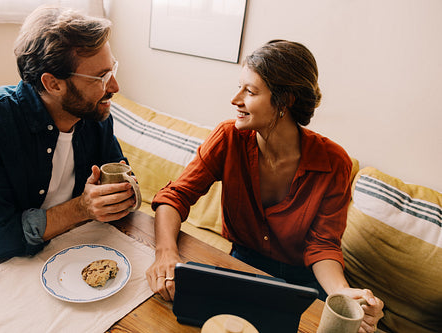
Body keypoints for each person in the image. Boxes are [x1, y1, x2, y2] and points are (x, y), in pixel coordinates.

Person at [146, 40, 384, 332]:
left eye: (250, 91)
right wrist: (166, 252)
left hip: (305, 279)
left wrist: (341, 292)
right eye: (240, 87)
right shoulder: (227, 138)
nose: (235, 99)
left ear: (285, 101)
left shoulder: (334, 162)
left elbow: (322, 245)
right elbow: (176, 196)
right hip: (243, 264)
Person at [0, 5, 137, 284]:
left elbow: (117, 178)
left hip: (68, 254)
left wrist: (120, 193)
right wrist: (81, 208)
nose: (115, 86)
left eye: (112, 69)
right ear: (52, 83)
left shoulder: (95, 114)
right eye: (102, 77)